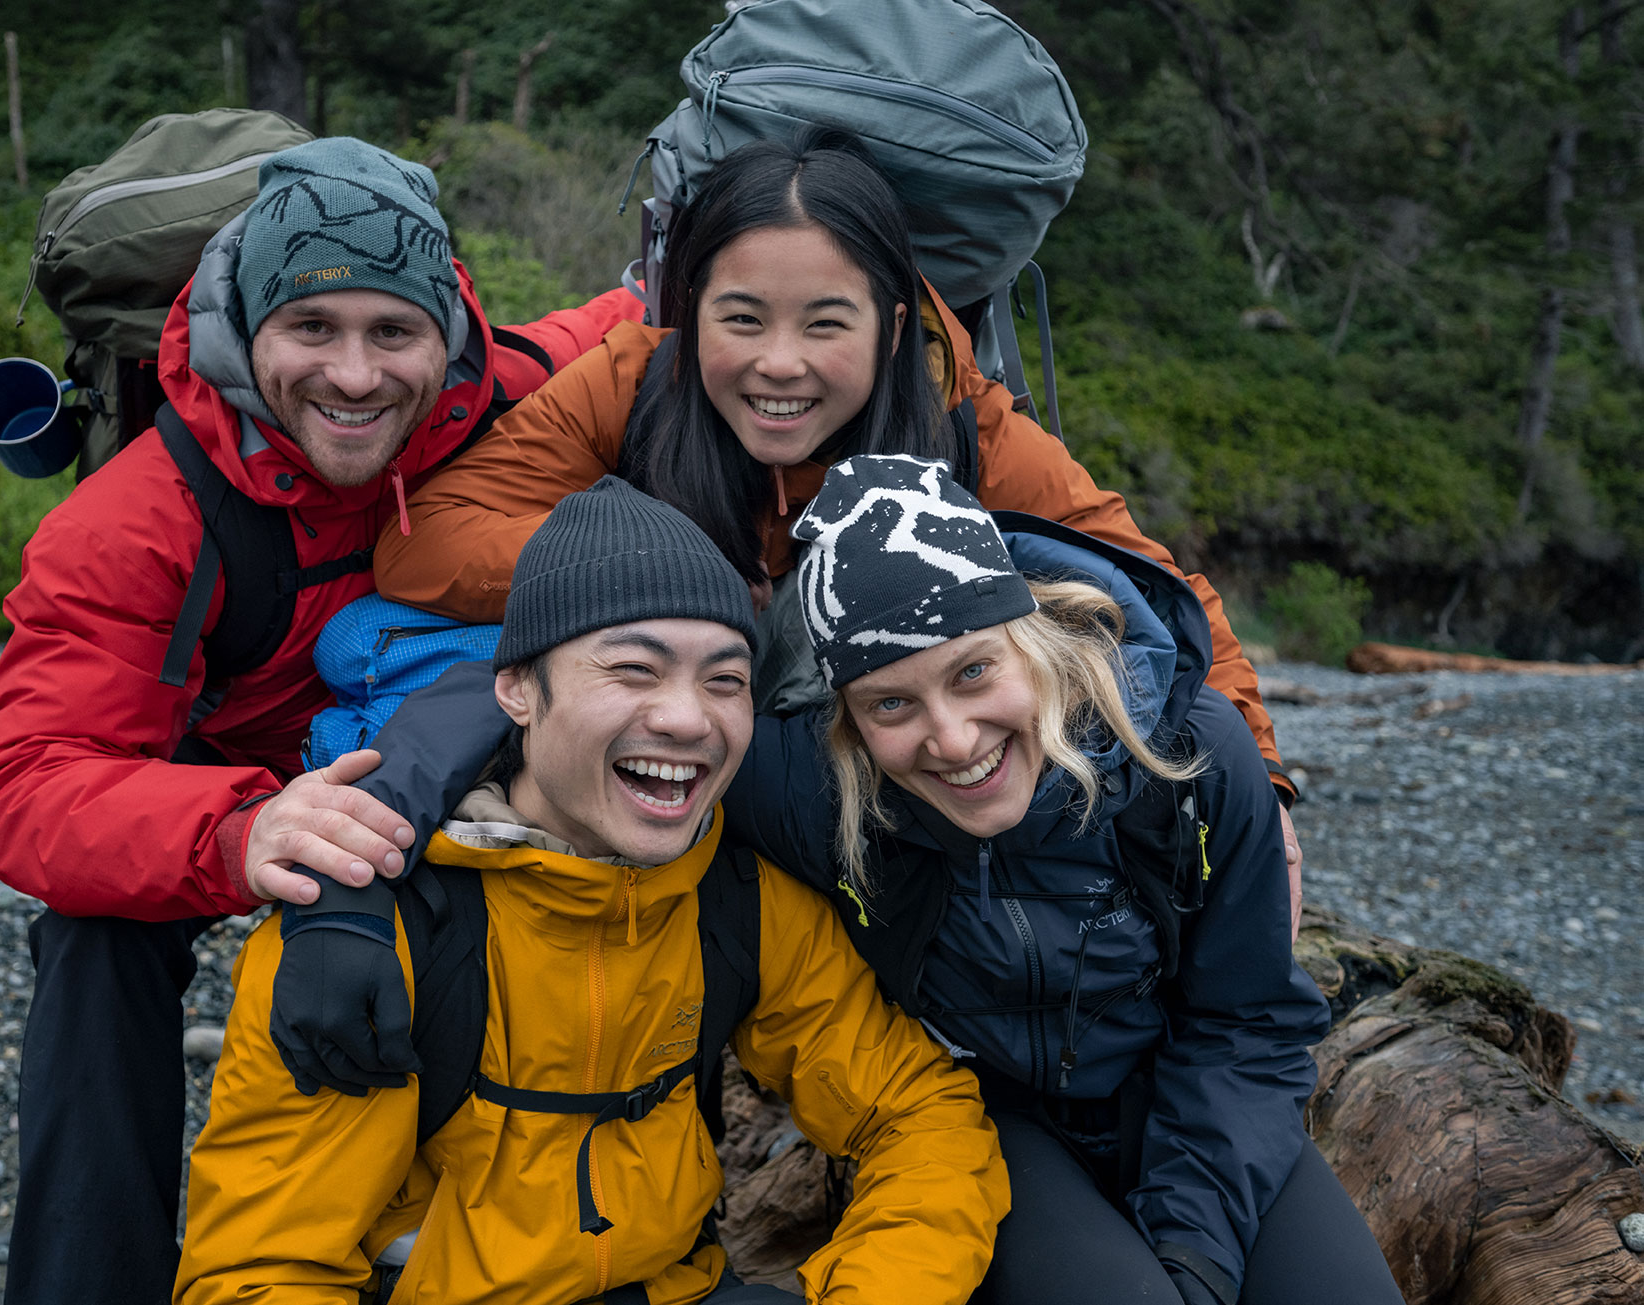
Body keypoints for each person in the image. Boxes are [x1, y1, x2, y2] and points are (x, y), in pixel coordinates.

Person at [0, 136, 643, 1305]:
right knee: (91, 942)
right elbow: (21, 784)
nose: (357, 376)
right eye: (311, 332)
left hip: (427, 737)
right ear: (246, 332)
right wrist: (243, 830)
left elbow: (649, 320)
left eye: (394, 334)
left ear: (450, 337)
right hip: (234, 776)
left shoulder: (507, 393)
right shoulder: (132, 522)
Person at [365, 126, 1305, 911]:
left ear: (892, 328)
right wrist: (658, 567)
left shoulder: (963, 423)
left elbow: (1151, 590)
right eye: (741, 320)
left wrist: (1259, 795)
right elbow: (424, 541)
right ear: (689, 313)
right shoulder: (631, 383)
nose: (781, 364)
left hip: (879, 778)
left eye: (825, 324)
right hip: (677, 742)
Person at [172, 477, 1011, 1305]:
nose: (688, 719)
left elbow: (918, 1114)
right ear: (517, 691)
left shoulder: (739, 900)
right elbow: (257, 1273)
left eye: (724, 680)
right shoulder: (371, 929)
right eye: (633, 669)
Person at [723, 452, 1400, 1305]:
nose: (954, 739)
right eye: (890, 703)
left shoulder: (1190, 752)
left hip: (1185, 1084)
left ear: (1029, 637)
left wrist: (1194, 1250)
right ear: (847, 720)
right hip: (986, 1115)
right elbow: (637, 742)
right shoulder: (814, 789)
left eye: (974, 672)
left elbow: (1248, 1019)